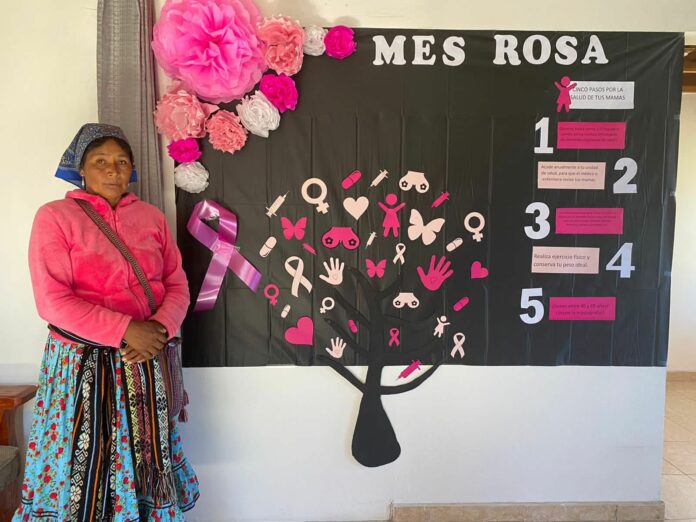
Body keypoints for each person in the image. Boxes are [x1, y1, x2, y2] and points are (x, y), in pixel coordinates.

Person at [14, 124, 199, 521]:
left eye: (121, 161)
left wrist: (160, 328)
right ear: (80, 168)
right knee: (84, 456)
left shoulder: (151, 218)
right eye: (101, 161)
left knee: (146, 455)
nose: (113, 170)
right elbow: (52, 300)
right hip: (81, 364)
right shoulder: (55, 217)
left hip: (145, 358)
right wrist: (126, 330)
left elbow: (177, 284)